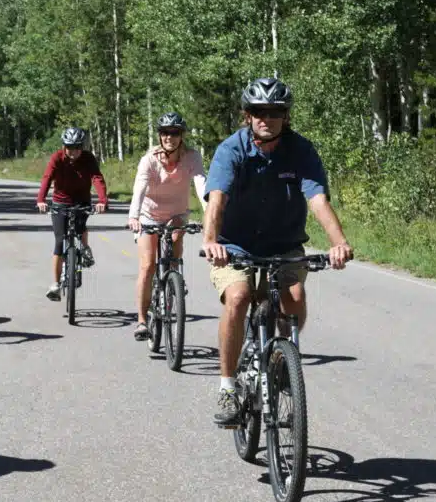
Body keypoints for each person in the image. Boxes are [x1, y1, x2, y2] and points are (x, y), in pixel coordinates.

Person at [201, 76, 353, 425]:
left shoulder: (300, 150)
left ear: (285, 116)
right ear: (247, 115)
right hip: (233, 246)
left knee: (294, 297)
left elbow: (317, 199)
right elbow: (217, 200)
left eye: (274, 112)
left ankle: (281, 359)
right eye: (258, 112)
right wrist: (211, 240)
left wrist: (338, 242)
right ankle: (227, 387)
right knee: (238, 298)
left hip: (284, 244)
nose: (265, 119)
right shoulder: (232, 149)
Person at [127, 112, 208, 340]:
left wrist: (210, 213)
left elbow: (202, 186)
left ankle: (174, 282)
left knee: (174, 256)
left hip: (177, 215)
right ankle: (142, 320)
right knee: (147, 266)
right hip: (148, 215)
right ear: (159, 135)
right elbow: (139, 189)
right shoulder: (149, 159)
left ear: (181, 136)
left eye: (174, 133)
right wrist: (134, 216)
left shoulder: (192, 157)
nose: (169, 137)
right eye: (165, 133)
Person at [36, 127, 108, 300]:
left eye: (77, 147)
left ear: (81, 147)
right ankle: (55, 285)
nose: (73, 151)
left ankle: (84, 248)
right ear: (64, 146)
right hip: (60, 202)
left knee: (80, 226)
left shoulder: (88, 158)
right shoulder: (57, 158)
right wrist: (41, 200)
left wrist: (102, 200)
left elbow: (97, 178)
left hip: (81, 201)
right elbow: (47, 177)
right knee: (60, 241)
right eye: (69, 147)